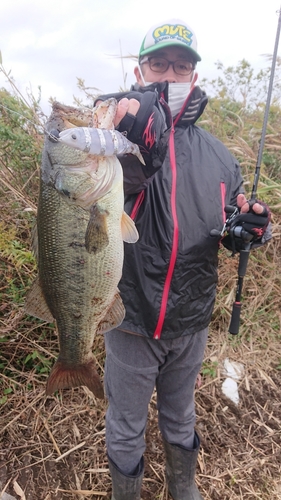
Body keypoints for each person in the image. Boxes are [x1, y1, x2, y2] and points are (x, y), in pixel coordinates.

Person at [96, 18, 271, 500]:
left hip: (192, 318)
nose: (169, 76)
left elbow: (233, 223)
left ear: (193, 77)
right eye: (159, 65)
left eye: (181, 67)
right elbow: (94, 203)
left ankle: (184, 488)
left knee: (181, 415)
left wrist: (250, 230)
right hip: (131, 316)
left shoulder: (219, 156)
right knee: (126, 424)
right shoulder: (111, 136)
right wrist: (133, 153)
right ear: (140, 71)